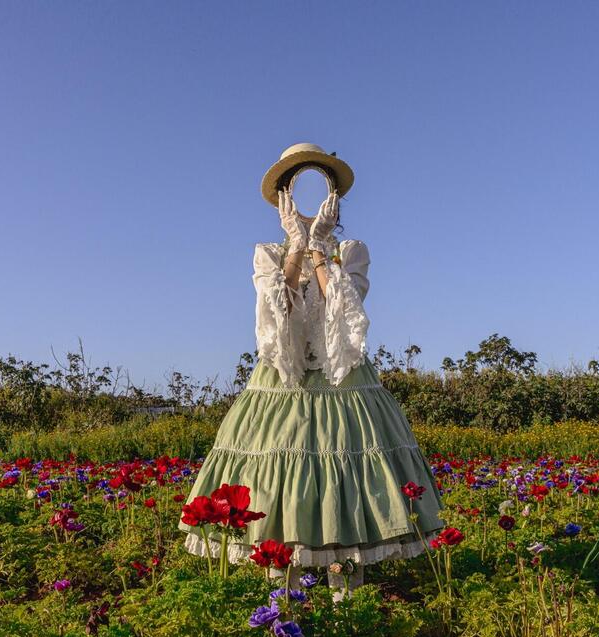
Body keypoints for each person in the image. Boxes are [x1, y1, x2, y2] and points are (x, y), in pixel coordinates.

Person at [177, 143, 445, 601]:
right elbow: (275, 313)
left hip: (343, 380)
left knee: (349, 476)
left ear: (331, 199)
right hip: (284, 381)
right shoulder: (267, 253)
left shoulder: (350, 251)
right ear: (285, 198)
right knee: (276, 478)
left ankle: (347, 597)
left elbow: (344, 313)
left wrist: (320, 249)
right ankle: (283, 596)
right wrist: (296, 248)